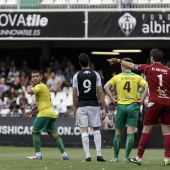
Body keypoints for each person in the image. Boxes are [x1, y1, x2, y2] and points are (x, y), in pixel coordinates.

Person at [107, 48, 170, 166]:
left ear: (152, 58)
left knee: (146, 130)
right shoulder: (168, 70)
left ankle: (139, 157)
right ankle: (167, 158)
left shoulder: (148, 68)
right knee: (167, 132)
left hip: (154, 103)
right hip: (167, 103)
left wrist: (118, 60)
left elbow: (131, 65)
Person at [104, 58, 148, 162]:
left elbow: (106, 87)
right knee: (131, 133)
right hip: (133, 106)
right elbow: (147, 86)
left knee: (118, 133)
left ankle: (115, 157)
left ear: (124, 66)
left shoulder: (117, 77)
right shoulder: (137, 77)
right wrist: (142, 99)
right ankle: (126, 157)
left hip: (121, 106)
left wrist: (112, 99)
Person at [25, 70, 69, 160]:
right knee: (54, 135)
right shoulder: (43, 87)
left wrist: (28, 85)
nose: (35, 78)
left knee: (35, 132)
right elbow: (41, 102)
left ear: (41, 77)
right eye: (33, 76)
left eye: (37, 76)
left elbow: (29, 91)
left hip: (44, 113)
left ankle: (38, 155)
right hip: (51, 113)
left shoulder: (40, 86)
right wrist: (32, 110)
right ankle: (64, 155)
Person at [72, 53, 106, 162]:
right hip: (94, 105)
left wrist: (74, 106)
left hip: (82, 106)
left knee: (84, 130)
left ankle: (87, 155)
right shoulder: (96, 74)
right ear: (89, 62)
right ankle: (99, 154)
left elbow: (74, 93)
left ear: (79, 63)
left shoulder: (76, 75)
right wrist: (104, 107)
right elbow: (100, 91)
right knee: (96, 128)